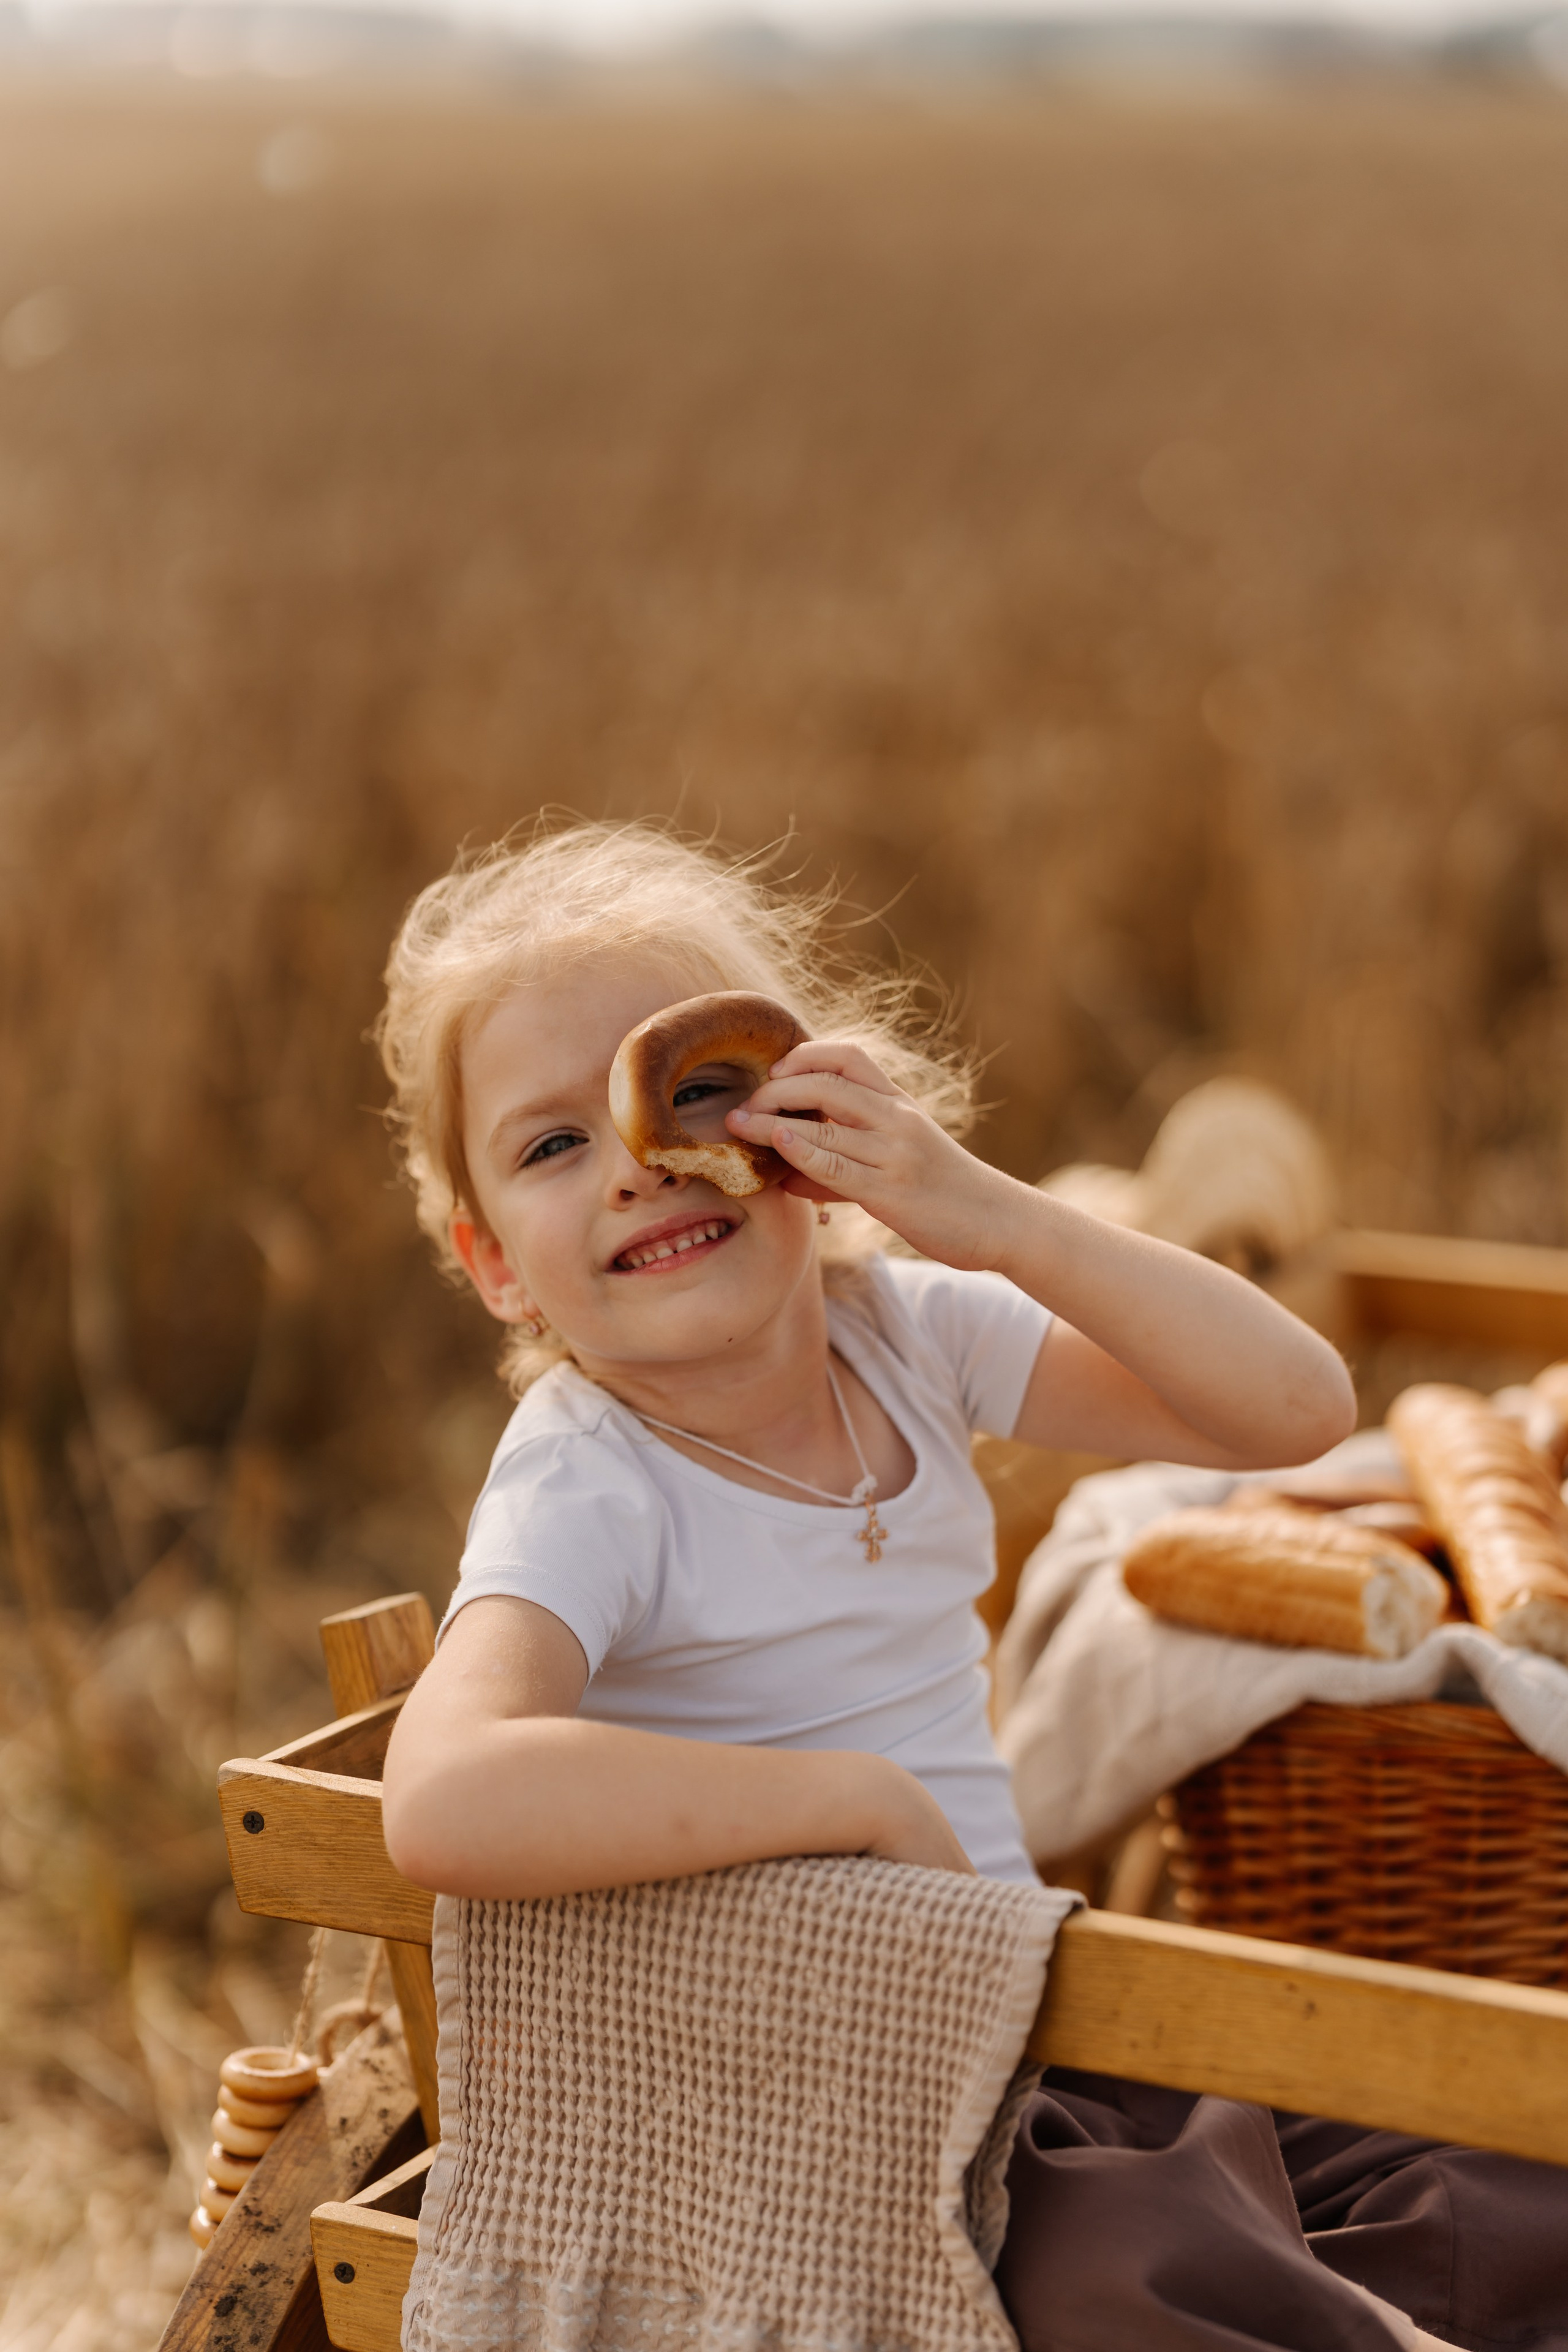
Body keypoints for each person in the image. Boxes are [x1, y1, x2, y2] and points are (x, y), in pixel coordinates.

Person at [376, 820, 1566, 2352]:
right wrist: (853, 1804)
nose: (638, 1165)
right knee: (1120, 2259)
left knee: (1461, 2163)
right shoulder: (591, 1478)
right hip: (830, 2086)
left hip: (1024, 2010)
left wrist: (978, 1210)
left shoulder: (906, 1331)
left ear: (802, 1119)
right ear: (492, 1265)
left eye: (696, 1095)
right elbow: (445, 1796)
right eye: (552, 1145)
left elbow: (1292, 1408)